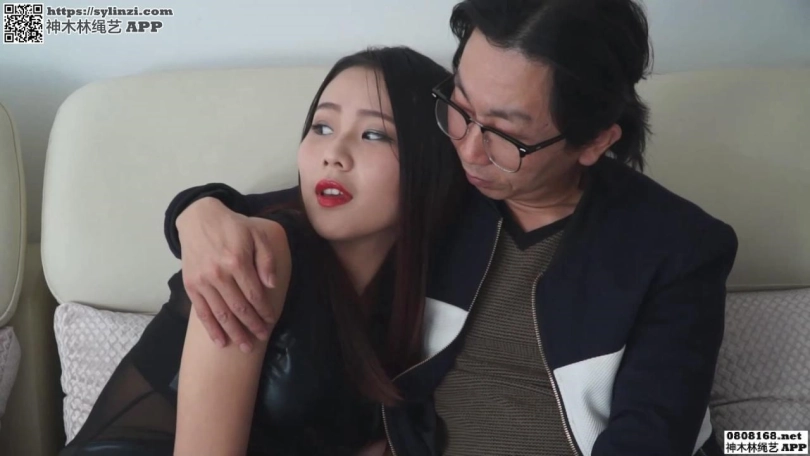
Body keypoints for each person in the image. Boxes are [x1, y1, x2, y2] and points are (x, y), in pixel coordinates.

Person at [166, 0, 739, 455]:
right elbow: (294, 210)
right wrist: (197, 211)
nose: (468, 150)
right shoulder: (449, 182)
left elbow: (650, 437)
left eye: (505, 134)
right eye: (461, 107)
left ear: (594, 141)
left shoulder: (677, 249)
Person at [58, 46, 465, 456]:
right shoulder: (260, 255)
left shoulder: (420, 293)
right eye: (322, 127)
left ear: (428, 160)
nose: (333, 155)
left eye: (373, 134)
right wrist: (193, 210)